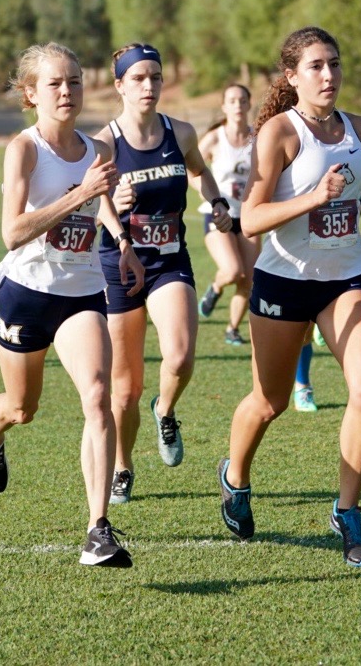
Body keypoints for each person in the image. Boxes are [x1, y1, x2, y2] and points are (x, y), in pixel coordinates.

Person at [218, 26, 361, 568]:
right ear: (292, 76)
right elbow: (250, 220)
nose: (329, 76)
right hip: (282, 282)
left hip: (343, 280)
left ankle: (348, 512)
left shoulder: (360, 129)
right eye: (317, 66)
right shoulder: (279, 133)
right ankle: (235, 477)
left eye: (336, 64)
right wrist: (310, 197)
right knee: (269, 402)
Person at [0, 42, 143, 568]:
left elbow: (101, 206)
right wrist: (79, 193)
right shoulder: (24, 150)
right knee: (23, 410)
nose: (67, 91)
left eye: (73, 81)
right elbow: (12, 232)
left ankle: (98, 529)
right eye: (54, 83)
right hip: (26, 292)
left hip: (82, 291)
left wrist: (121, 237)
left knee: (98, 395)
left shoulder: (99, 151)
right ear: (31, 94)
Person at [95, 42, 232, 505]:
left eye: (155, 77)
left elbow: (200, 173)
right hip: (121, 265)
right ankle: (122, 465)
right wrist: (115, 212)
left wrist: (216, 203)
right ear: (120, 86)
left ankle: (166, 409)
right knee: (125, 388)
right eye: (138, 78)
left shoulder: (183, 133)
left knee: (179, 358)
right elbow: (90, 204)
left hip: (171, 259)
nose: (149, 85)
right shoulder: (104, 143)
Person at [194, 83, 259, 346]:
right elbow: (190, 167)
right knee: (232, 271)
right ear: (224, 106)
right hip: (219, 214)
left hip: (249, 216)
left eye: (242, 100)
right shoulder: (214, 138)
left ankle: (232, 329)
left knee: (249, 278)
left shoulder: (258, 137)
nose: (238, 106)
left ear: (248, 104)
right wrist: (207, 195)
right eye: (232, 101)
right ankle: (216, 288)